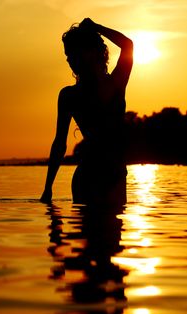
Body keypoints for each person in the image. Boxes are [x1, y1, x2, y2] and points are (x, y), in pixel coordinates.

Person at [40, 18, 133, 207]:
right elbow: (59, 143)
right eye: (68, 55)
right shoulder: (69, 95)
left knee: (110, 233)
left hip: (115, 175)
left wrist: (97, 27)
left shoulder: (115, 84)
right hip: (88, 176)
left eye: (74, 53)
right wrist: (48, 188)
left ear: (93, 52)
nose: (69, 59)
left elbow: (127, 45)